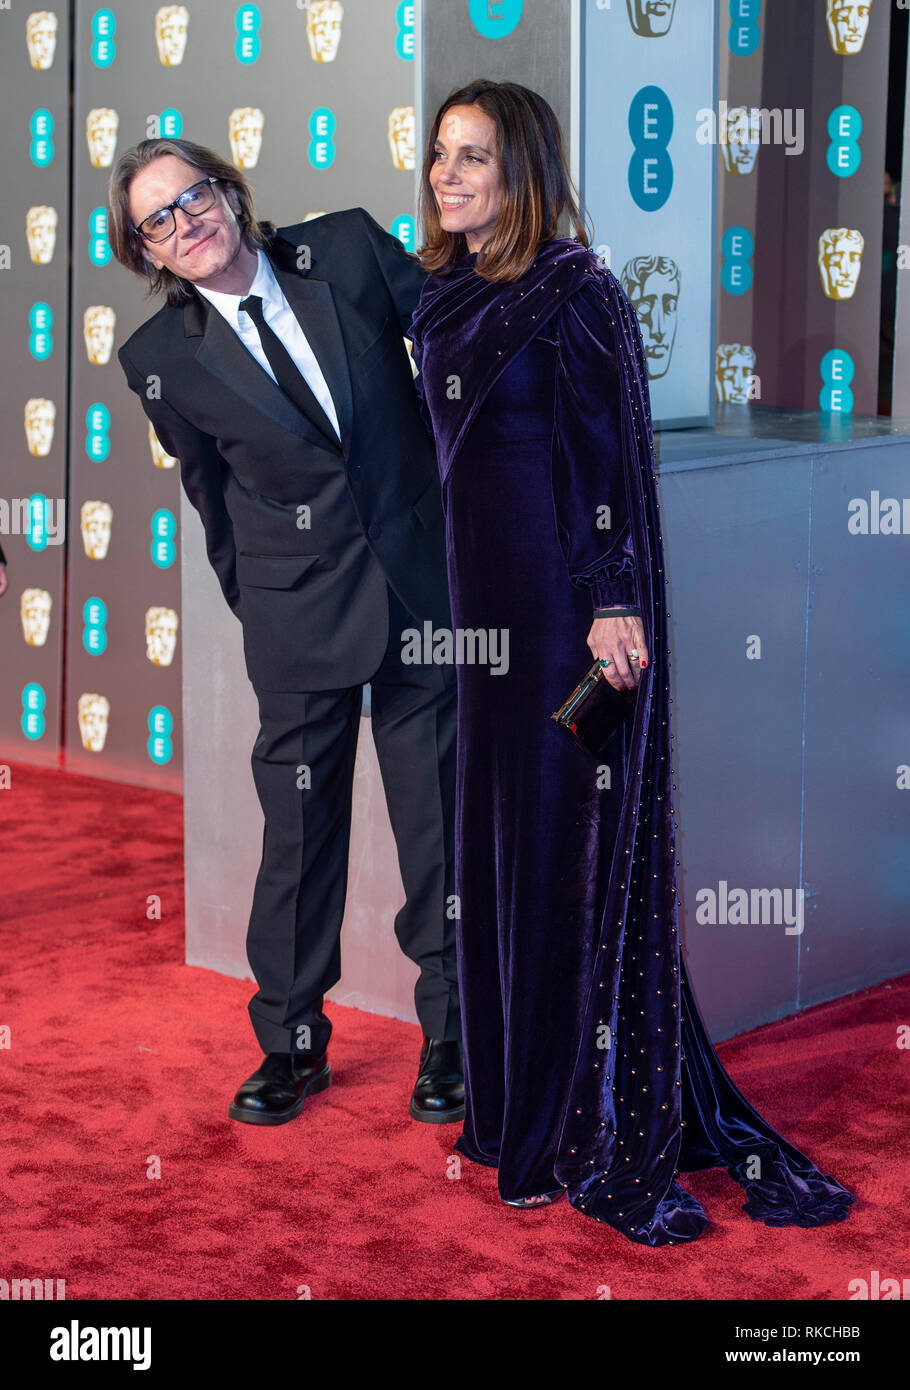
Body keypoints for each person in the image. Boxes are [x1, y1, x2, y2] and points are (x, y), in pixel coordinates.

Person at [408, 80, 855, 1244]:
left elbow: (601, 458)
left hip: (570, 629)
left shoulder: (578, 291)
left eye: (476, 158)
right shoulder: (444, 291)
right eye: (442, 156)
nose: (451, 177)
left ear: (525, 169)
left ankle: (578, 1118)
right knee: (503, 850)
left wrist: (612, 606)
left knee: (572, 850)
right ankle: (513, 1110)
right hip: (484, 632)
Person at [109, 138, 463, 1128]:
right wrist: (262, 605)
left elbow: (455, 344)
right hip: (295, 618)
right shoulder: (159, 361)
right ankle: (291, 1044)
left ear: (231, 191)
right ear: (146, 254)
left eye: (197, 196)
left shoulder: (343, 249)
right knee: (299, 840)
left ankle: (451, 1038)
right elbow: (209, 497)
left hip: (418, 595)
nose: (188, 222)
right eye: (159, 220)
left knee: (437, 825)